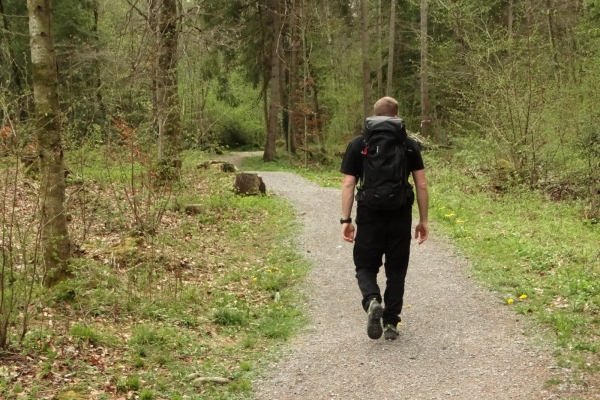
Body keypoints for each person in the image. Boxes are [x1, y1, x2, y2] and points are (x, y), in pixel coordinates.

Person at [340, 96, 429, 340]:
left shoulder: (359, 143)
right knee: (396, 270)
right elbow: (421, 184)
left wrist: (345, 220)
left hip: (369, 214)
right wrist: (423, 220)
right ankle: (390, 323)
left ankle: (371, 301)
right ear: (397, 115)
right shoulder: (409, 144)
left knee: (365, 266)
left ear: (375, 114)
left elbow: (349, 183)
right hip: (400, 214)